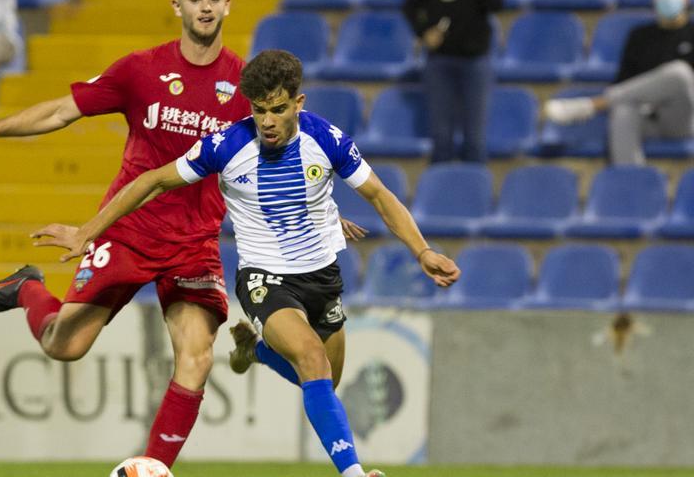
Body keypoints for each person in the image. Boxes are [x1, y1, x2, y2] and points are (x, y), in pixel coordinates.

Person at [0, 0, 369, 468]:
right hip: (128, 233)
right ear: (177, 5)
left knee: (198, 356)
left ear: (227, 5)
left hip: (194, 244)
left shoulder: (246, 86)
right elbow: (63, 110)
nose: (204, 7)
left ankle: (154, 466)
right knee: (64, 345)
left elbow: (285, 150)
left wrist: (319, 207)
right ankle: (26, 288)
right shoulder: (141, 70)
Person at [31, 50, 461, 477]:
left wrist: (421, 250)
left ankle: (254, 350)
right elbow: (152, 181)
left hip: (322, 276)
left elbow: (380, 196)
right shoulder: (227, 145)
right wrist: (89, 229)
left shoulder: (326, 139)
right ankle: (354, 473)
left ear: (298, 103)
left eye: (277, 109)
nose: (268, 121)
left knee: (323, 381)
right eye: (259, 110)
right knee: (311, 357)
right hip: (264, 278)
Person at [545, 0, 694, 165]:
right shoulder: (639, 36)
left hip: (685, 118)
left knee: (680, 73)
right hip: (647, 116)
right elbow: (623, 81)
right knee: (623, 111)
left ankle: (594, 104)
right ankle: (631, 183)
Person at [403, 0, 502, 163]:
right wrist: (424, 32)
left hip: (476, 60)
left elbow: (496, 3)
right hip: (439, 62)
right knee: (441, 137)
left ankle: (475, 187)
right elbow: (410, 6)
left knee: (475, 139)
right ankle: (439, 188)